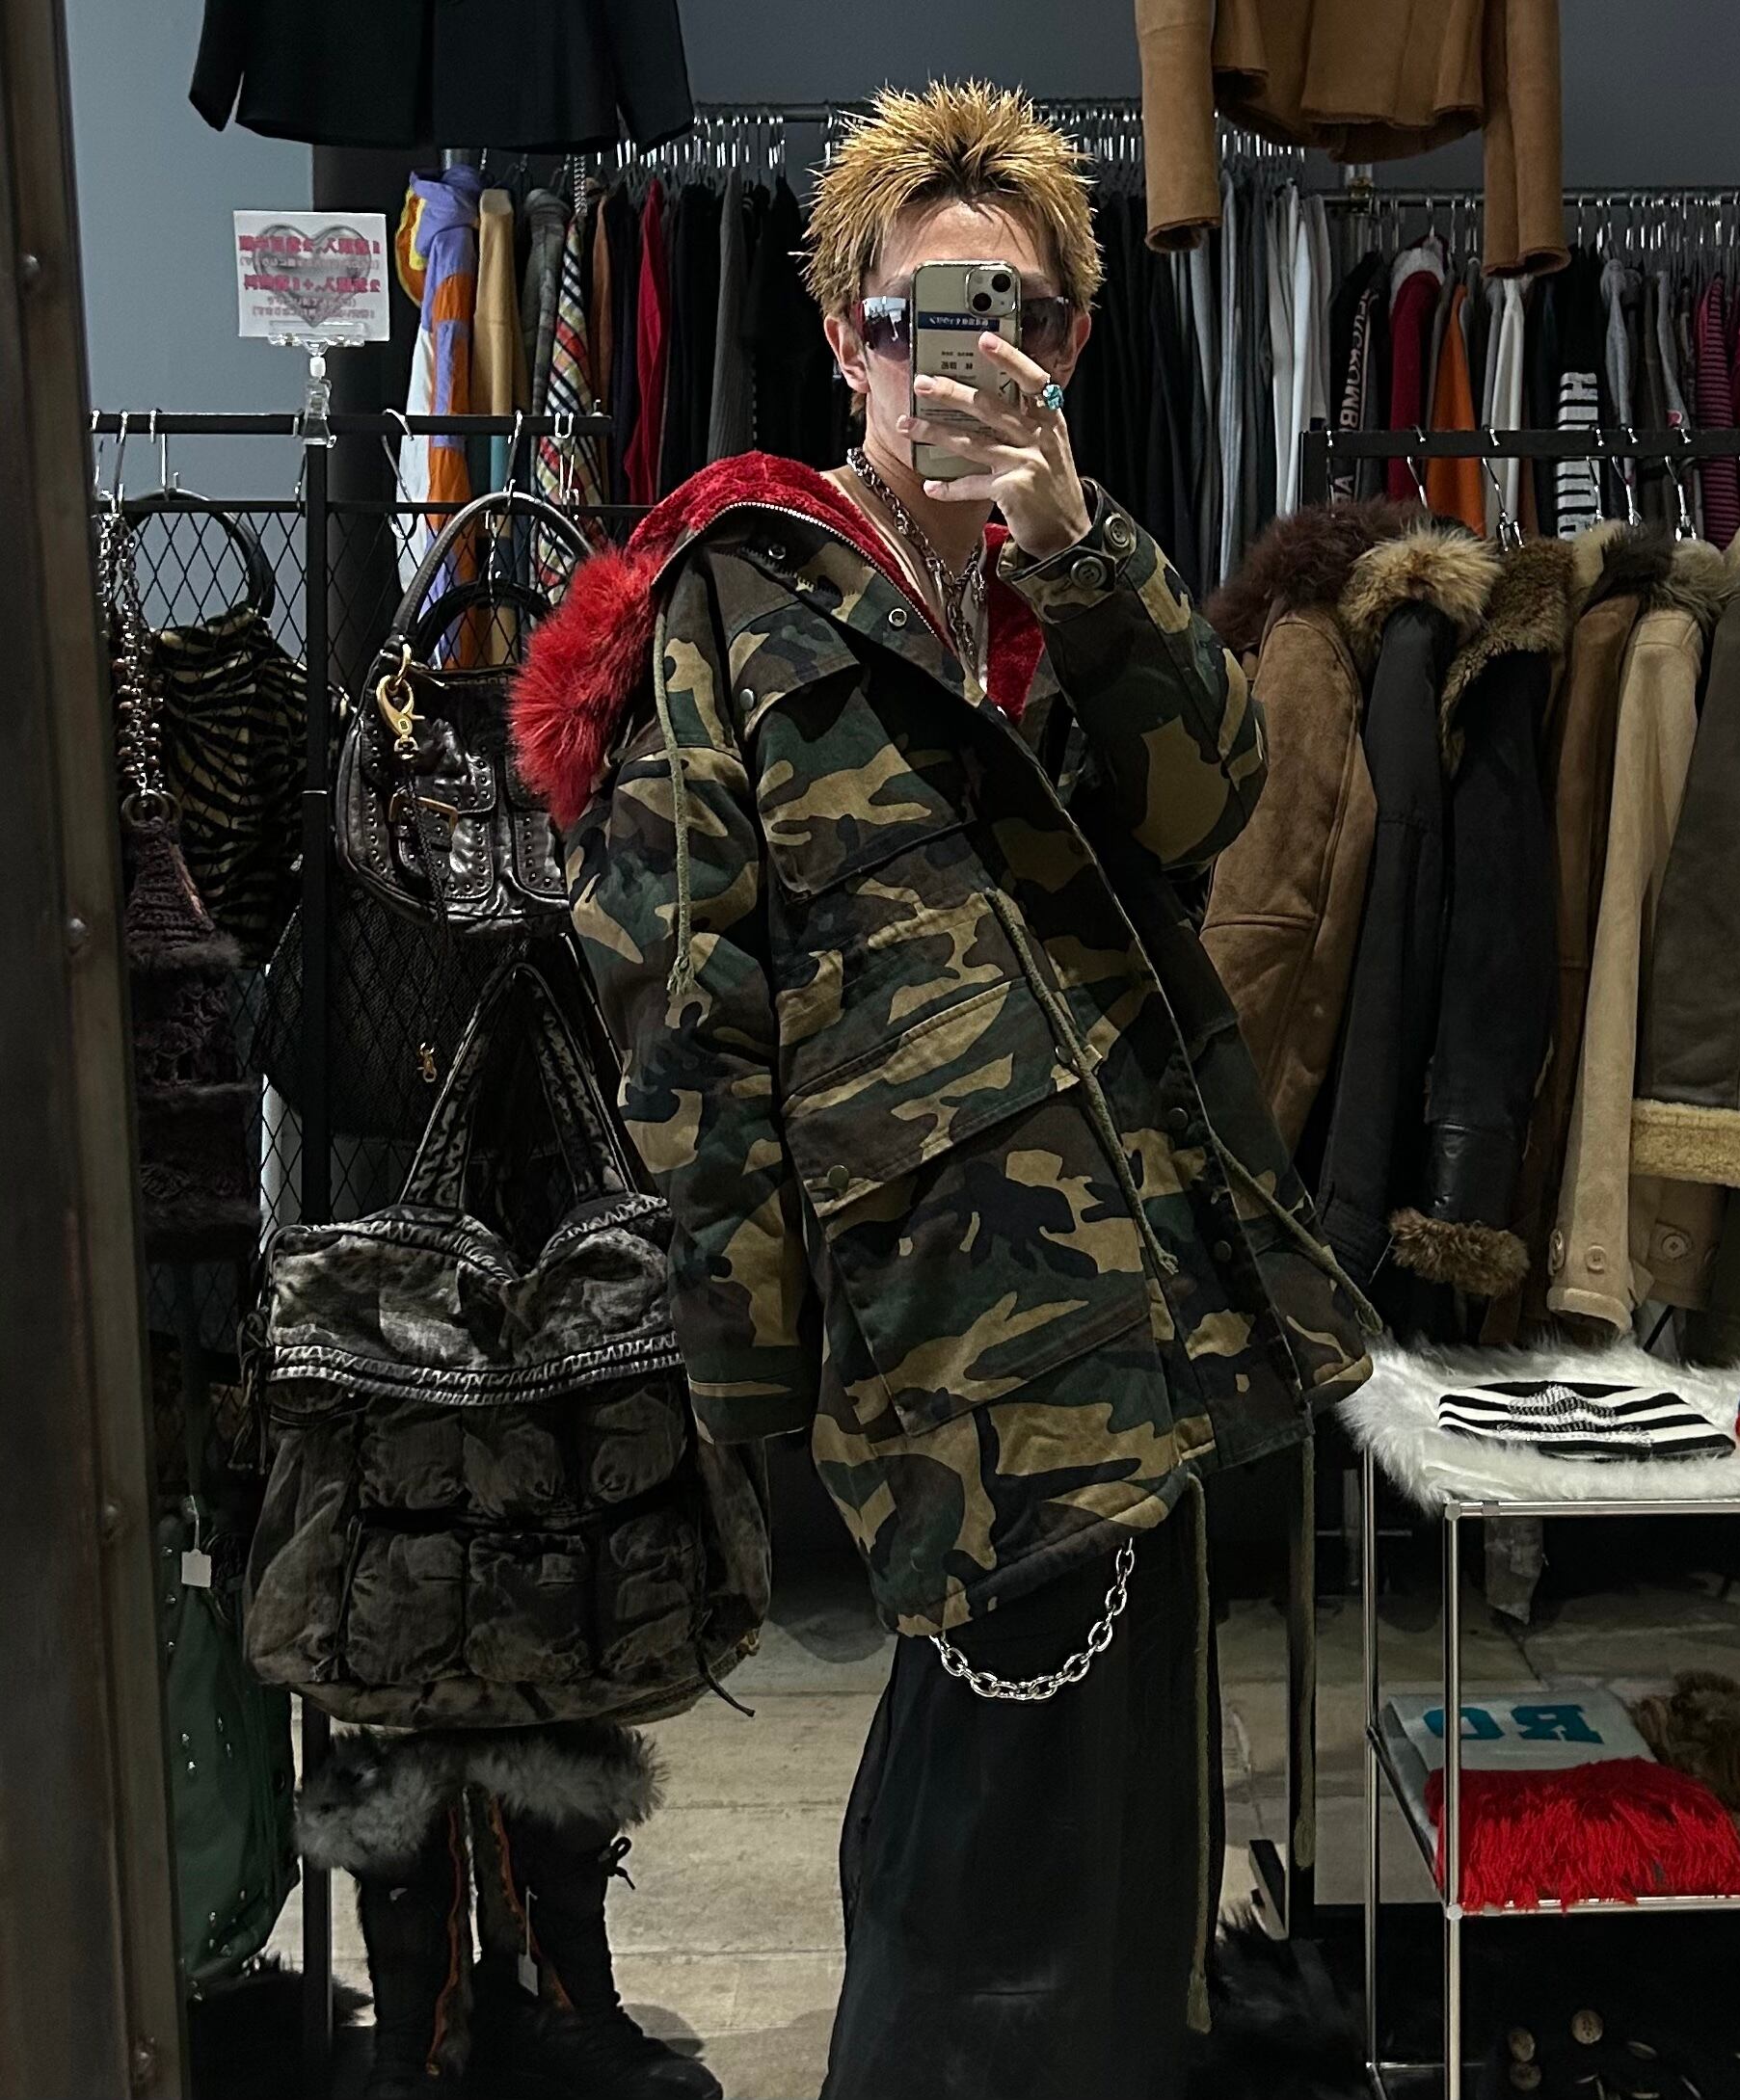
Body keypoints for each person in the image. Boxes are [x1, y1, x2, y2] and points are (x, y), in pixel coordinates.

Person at [512, 80, 1375, 2099]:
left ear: (1065, 343)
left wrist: (1073, 540)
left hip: (1143, 1301)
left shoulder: (1059, 595)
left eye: (1018, 318)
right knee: (979, 1863)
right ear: (845, 335)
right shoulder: (731, 592)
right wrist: (748, 1399)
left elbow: (1212, 800)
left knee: (1120, 1841)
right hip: (936, 1321)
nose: (962, 359)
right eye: (919, 316)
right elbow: (683, 1003)